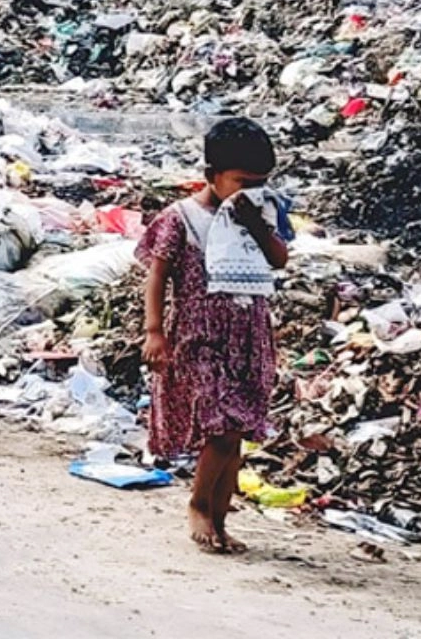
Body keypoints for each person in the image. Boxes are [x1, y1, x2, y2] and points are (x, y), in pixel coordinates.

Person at [139, 117, 292, 554]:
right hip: (199, 334)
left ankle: (221, 521)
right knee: (221, 426)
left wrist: (256, 223)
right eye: (243, 182)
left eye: (260, 183)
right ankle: (199, 503)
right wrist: (154, 332)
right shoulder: (181, 218)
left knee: (236, 432)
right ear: (212, 175)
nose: (252, 191)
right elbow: (157, 275)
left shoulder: (260, 212)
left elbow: (279, 260)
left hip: (250, 334)